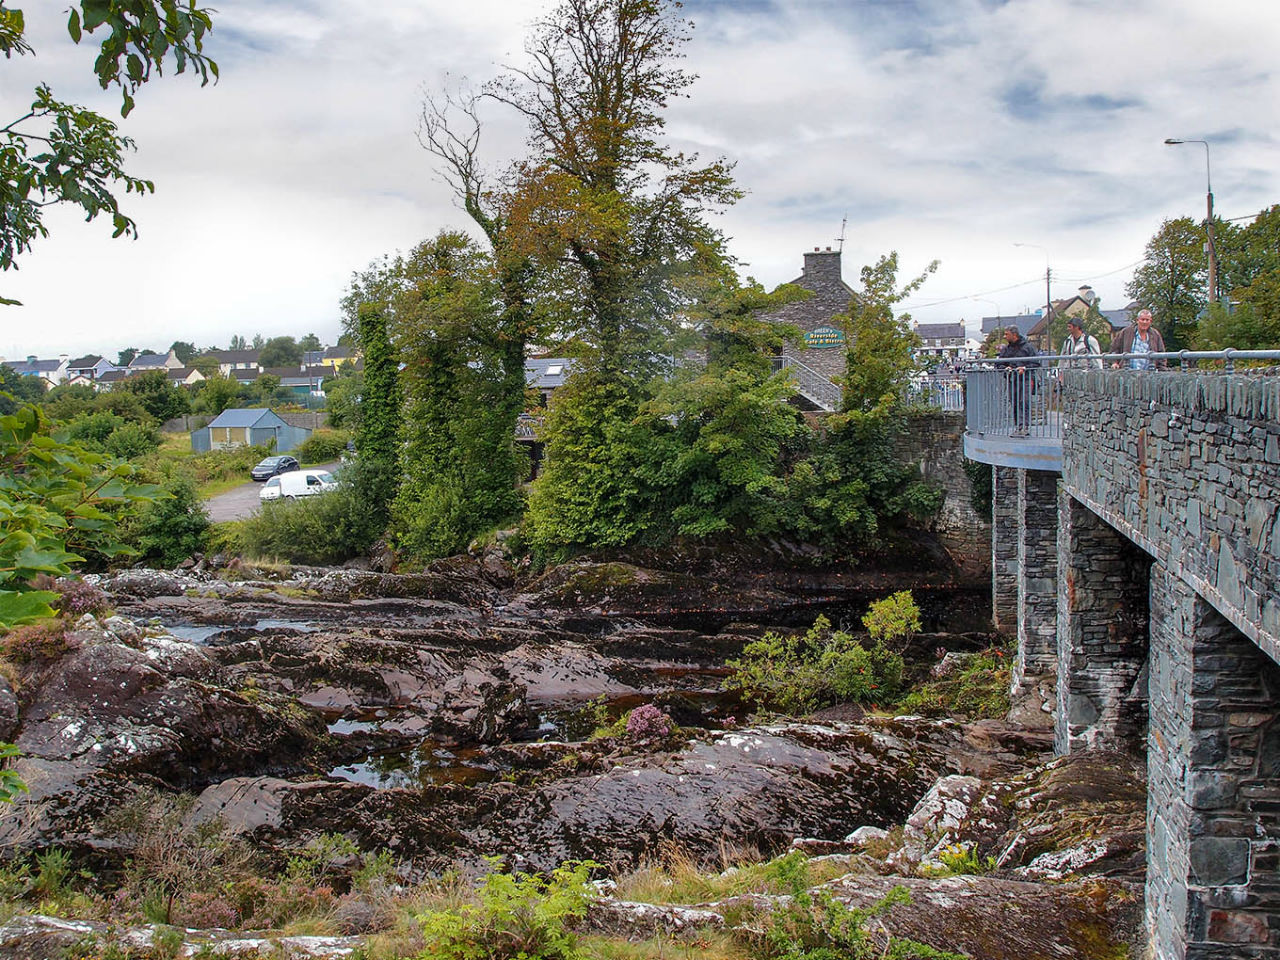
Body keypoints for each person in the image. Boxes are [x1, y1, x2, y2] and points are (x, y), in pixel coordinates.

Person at [997, 324, 1039, 435]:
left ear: (1014, 335)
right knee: (1015, 403)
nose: (1005, 336)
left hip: (1025, 379)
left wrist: (1025, 368)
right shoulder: (1007, 349)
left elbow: (1036, 362)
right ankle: (1018, 427)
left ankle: (1024, 427)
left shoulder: (1028, 347)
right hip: (1012, 379)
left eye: (1007, 334)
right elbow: (998, 364)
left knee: (1023, 402)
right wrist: (1005, 368)